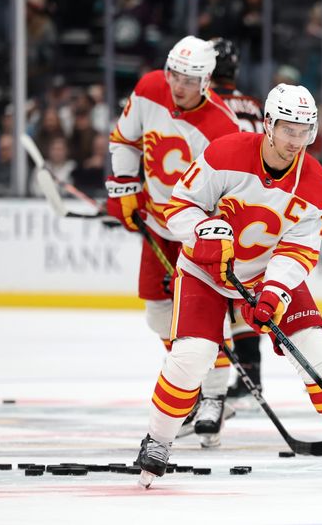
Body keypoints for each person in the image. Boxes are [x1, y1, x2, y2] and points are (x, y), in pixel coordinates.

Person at [135, 83, 322, 487]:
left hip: (266, 271)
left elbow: (299, 250)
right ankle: (158, 439)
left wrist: (274, 291)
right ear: (268, 124)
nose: (295, 141)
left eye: (304, 132)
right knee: (193, 355)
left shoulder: (317, 186)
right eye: (287, 129)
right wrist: (203, 232)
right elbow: (179, 205)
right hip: (205, 271)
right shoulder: (225, 154)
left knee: (314, 348)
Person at [105, 36, 240, 446]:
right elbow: (125, 140)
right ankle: (194, 385)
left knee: (203, 317)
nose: (179, 86)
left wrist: (212, 237)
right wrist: (125, 187)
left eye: (190, 78)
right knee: (158, 316)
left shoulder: (222, 126)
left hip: (198, 232)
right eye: (175, 75)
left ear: (207, 80)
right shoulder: (148, 89)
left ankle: (215, 396)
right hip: (157, 224)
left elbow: (229, 191)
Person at [198, 37, 266, 410]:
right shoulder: (255, 104)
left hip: (223, 200)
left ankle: (217, 381)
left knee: (220, 292)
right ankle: (251, 378)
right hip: (258, 203)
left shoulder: (208, 105)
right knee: (247, 289)